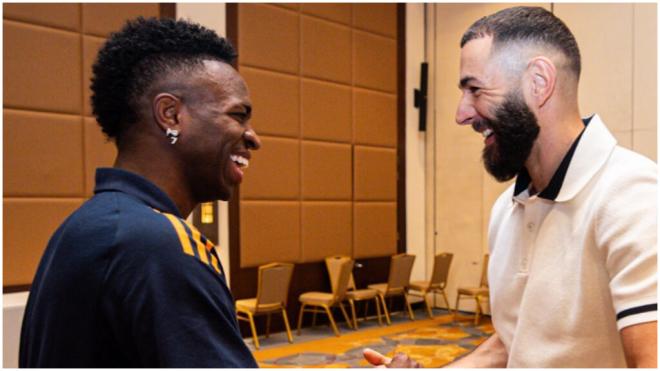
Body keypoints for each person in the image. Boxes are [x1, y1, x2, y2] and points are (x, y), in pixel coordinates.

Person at [365, 6, 657, 368]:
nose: (461, 114)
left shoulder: (634, 194)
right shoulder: (507, 209)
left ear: (538, 82)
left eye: (475, 89)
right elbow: (513, 341)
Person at [19, 17, 261, 367]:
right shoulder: (159, 245)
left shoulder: (88, 225)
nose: (254, 137)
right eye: (239, 115)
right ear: (171, 115)